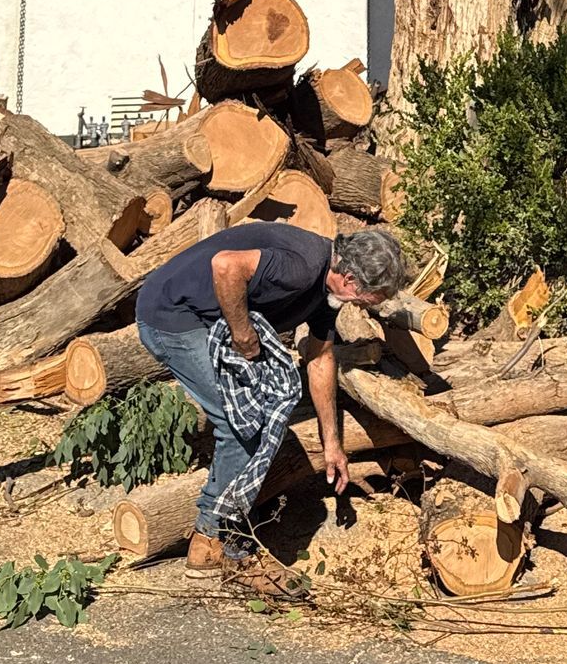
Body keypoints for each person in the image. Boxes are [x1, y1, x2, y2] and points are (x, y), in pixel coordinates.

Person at [135, 219, 407, 573]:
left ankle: (234, 517)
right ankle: (210, 539)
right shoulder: (303, 266)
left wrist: (332, 444)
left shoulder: (330, 285)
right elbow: (226, 265)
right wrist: (243, 333)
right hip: (170, 315)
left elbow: (321, 358)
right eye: (374, 298)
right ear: (351, 280)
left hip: (205, 318)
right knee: (239, 425)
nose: (370, 306)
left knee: (258, 417)